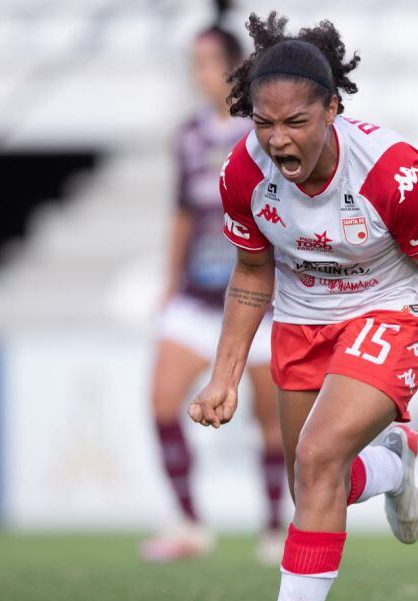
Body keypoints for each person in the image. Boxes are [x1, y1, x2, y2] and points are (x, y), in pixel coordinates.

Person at [188, 13, 418, 601]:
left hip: (389, 307)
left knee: (319, 453)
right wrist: (223, 376)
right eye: (265, 123)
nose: (278, 141)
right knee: (311, 486)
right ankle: (391, 464)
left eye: (296, 123)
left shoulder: (394, 174)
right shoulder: (243, 173)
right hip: (302, 316)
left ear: (333, 109)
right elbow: (252, 275)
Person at [141, 23, 287, 565]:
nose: (197, 72)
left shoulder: (265, 131)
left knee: (270, 422)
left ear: (233, 66)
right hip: (198, 297)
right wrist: (167, 282)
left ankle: (275, 528)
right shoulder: (187, 136)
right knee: (160, 403)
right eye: (194, 62)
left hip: (261, 299)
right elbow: (182, 212)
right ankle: (188, 523)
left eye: (206, 61)